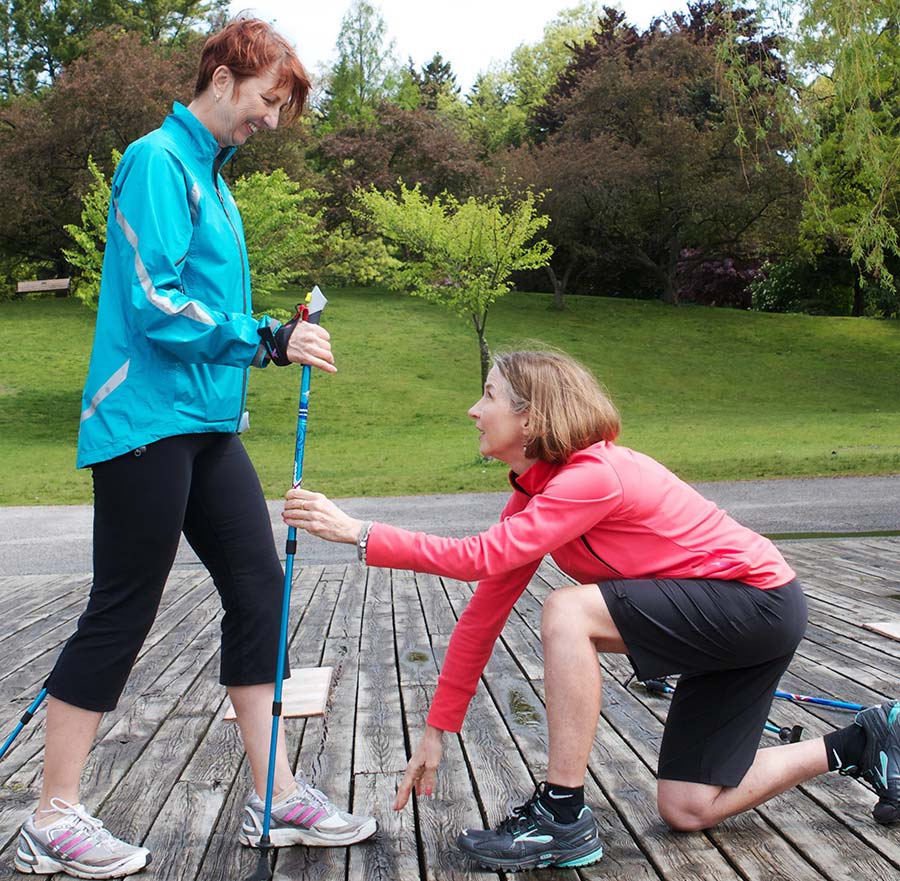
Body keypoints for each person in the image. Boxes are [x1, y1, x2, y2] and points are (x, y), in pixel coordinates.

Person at [283, 349, 900, 872]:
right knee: (689, 807)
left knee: (568, 612)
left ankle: (560, 812)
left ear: (531, 416)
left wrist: (359, 532)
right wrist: (439, 730)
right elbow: (482, 612)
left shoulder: (592, 475)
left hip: (759, 607)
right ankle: (862, 741)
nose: (474, 410)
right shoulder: (537, 496)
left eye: (489, 395)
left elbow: (475, 557)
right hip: (727, 621)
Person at [14, 18, 375, 880]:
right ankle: (50, 815)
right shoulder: (157, 162)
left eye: (281, 110)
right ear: (223, 76)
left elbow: (196, 303)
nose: (271, 123)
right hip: (143, 421)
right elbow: (151, 301)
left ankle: (278, 795)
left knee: (259, 586)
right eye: (266, 102)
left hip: (203, 426)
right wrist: (265, 337)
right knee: (124, 606)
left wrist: (271, 334)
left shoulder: (213, 180)